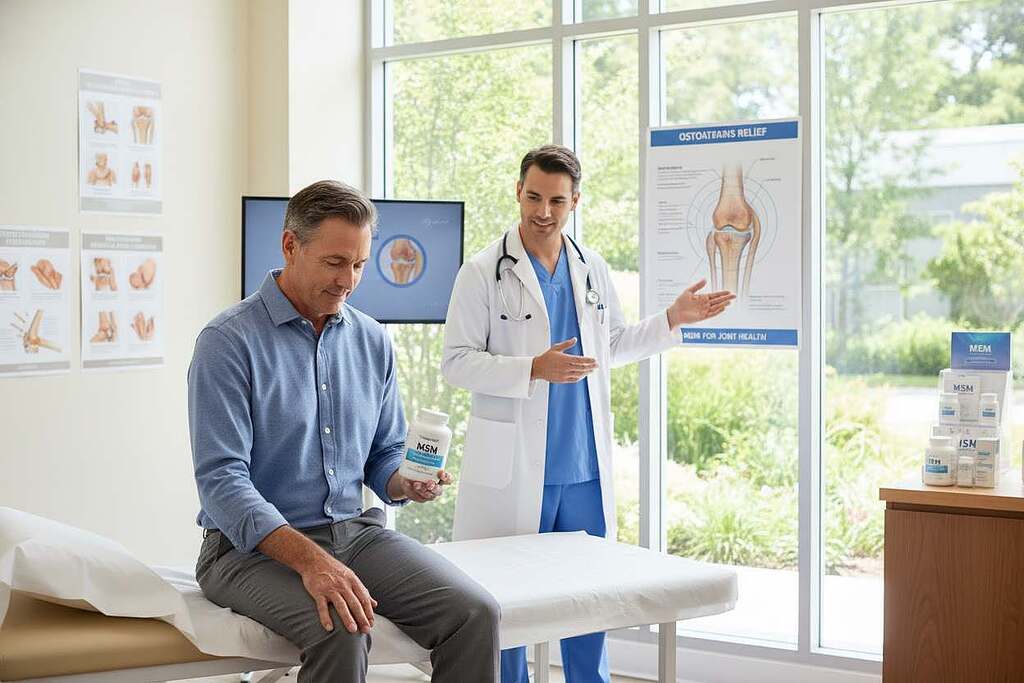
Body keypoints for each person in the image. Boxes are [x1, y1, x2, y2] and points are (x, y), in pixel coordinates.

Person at [442, 145, 734, 683]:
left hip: (582, 469)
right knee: (506, 605)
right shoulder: (483, 271)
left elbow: (613, 345)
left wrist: (674, 318)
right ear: (518, 191)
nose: (543, 211)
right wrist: (533, 367)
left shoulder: (591, 267)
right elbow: (457, 363)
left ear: (575, 200)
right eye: (533, 197)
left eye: (556, 200)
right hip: (514, 469)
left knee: (589, 604)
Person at [188, 180, 500, 683]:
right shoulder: (228, 342)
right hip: (244, 553)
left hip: (354, 533)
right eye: (334, 263)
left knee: (475, 613)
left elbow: (383, 454)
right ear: (291, 246)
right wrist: (311, 561)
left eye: (358, 265)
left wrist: (405, 481)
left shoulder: (371, 339)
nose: (348, 281)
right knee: (342, 628)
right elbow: (222, 481)